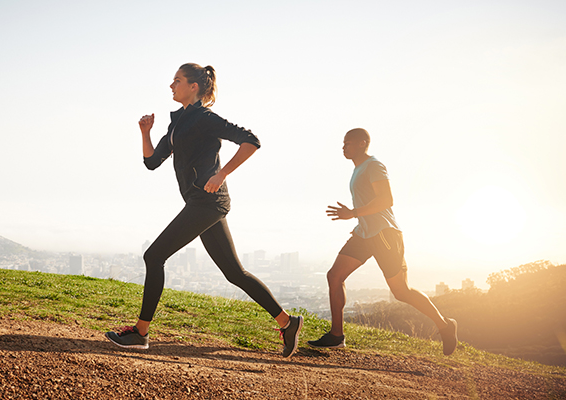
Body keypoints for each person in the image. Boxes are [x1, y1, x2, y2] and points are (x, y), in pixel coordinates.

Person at [105, 63, 303, 357]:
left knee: (154, 255)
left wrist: (222, 174)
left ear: (193, 86)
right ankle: (287, 322)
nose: (171, 86)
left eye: (177, 81)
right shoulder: (178, 124)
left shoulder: (205, 119)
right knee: (234, 273)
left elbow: (251, 141)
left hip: (207, 203)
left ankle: (140, 332)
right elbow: (151, 161)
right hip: (201, 203)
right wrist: (145, 132)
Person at [308, 128, 459, 355]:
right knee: (335, 276)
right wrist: (359, 222)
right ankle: (336, 335)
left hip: (384, 235)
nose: (343, 147)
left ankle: (445, 325)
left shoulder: (374, 165)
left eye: (347, 143)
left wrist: (354, 212)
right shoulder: (358, 169)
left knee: (401, 291)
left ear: (361, 143)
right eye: (342, 143)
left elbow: (386, 200)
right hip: (364, 234)